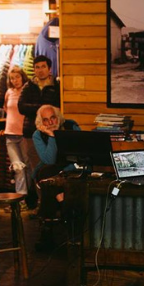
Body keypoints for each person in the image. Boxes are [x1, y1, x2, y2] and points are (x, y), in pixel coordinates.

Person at [32, 105, 80, 250]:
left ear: (57, 116)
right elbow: (49, 160)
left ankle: (47, 233)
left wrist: (64, 171)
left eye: (52, 117)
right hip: (50, 169)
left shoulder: (71, 126)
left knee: (48, 181)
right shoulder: (38, 135)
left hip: (69, 168)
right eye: (45, 120)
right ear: (41, 122)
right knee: (47, 174)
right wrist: (52, 137)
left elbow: (80, 156)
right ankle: (66, 208)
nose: (50, 123)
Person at [18, 55, 60, 208]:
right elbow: (21, 107)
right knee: (34, 169)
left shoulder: (56, 86)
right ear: (33, 69)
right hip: (30, 133)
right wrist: (43, 108)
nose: (40, 70)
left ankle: (49, 205)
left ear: (49, 69)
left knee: (49, 168)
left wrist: (38, 108)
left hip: (51, 135)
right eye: (37, 67)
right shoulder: (28, 86)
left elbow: (56, 107)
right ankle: (40, 204)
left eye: (43, 66)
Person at [3, 65, 33, 210]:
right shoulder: (9, 92)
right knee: (18, 168)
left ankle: (27, 199)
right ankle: (20, 201)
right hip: (10, 134)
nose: (15, 80)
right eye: (12, 78)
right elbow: (5, 109)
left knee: (27, 167)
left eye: (17, 77)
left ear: (22, 76)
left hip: (23, 134)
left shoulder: (27, 91)